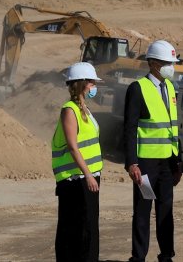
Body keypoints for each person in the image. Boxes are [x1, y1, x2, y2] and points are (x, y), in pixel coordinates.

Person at [123, 40, 182, 262]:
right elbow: (129, 129)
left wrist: (177, 164)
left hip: (167, 164)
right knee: (142, 212)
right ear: (154, 63)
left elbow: (172, 128)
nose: (171, 67)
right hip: (146, 164)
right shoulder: (138, 89)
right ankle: (138, 257)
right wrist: (132, 163)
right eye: (168, 63)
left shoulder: (169, 87)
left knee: (166, 211)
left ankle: (166, 256)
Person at [52, 62, 104, 262]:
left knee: (89, 228)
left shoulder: (84, 109)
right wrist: (88, 175)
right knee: (74, 229)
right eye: (91, 82)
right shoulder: (69, 110)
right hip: (75, 180)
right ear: (82, 84)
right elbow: (73, 147)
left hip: (88, 178)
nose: (94, 86)